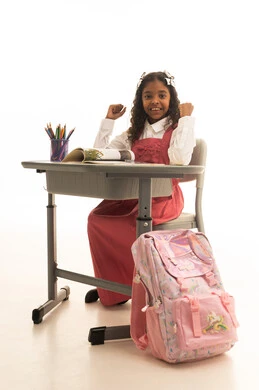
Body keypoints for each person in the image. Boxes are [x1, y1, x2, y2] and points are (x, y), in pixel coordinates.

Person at [86, 71, 195, 306]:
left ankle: (142, 287)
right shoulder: (134, 132)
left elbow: (179, 159)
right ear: (141, 101)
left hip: (163, 197)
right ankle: (113, 287)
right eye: (148, 96)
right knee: (97, 218)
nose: (155, 101)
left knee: (131, 224)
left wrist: (186, 119)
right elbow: (99, 154)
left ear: (171, 99)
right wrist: (109, 121)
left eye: (161, 95)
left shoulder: (177, 128)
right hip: (132, 196)